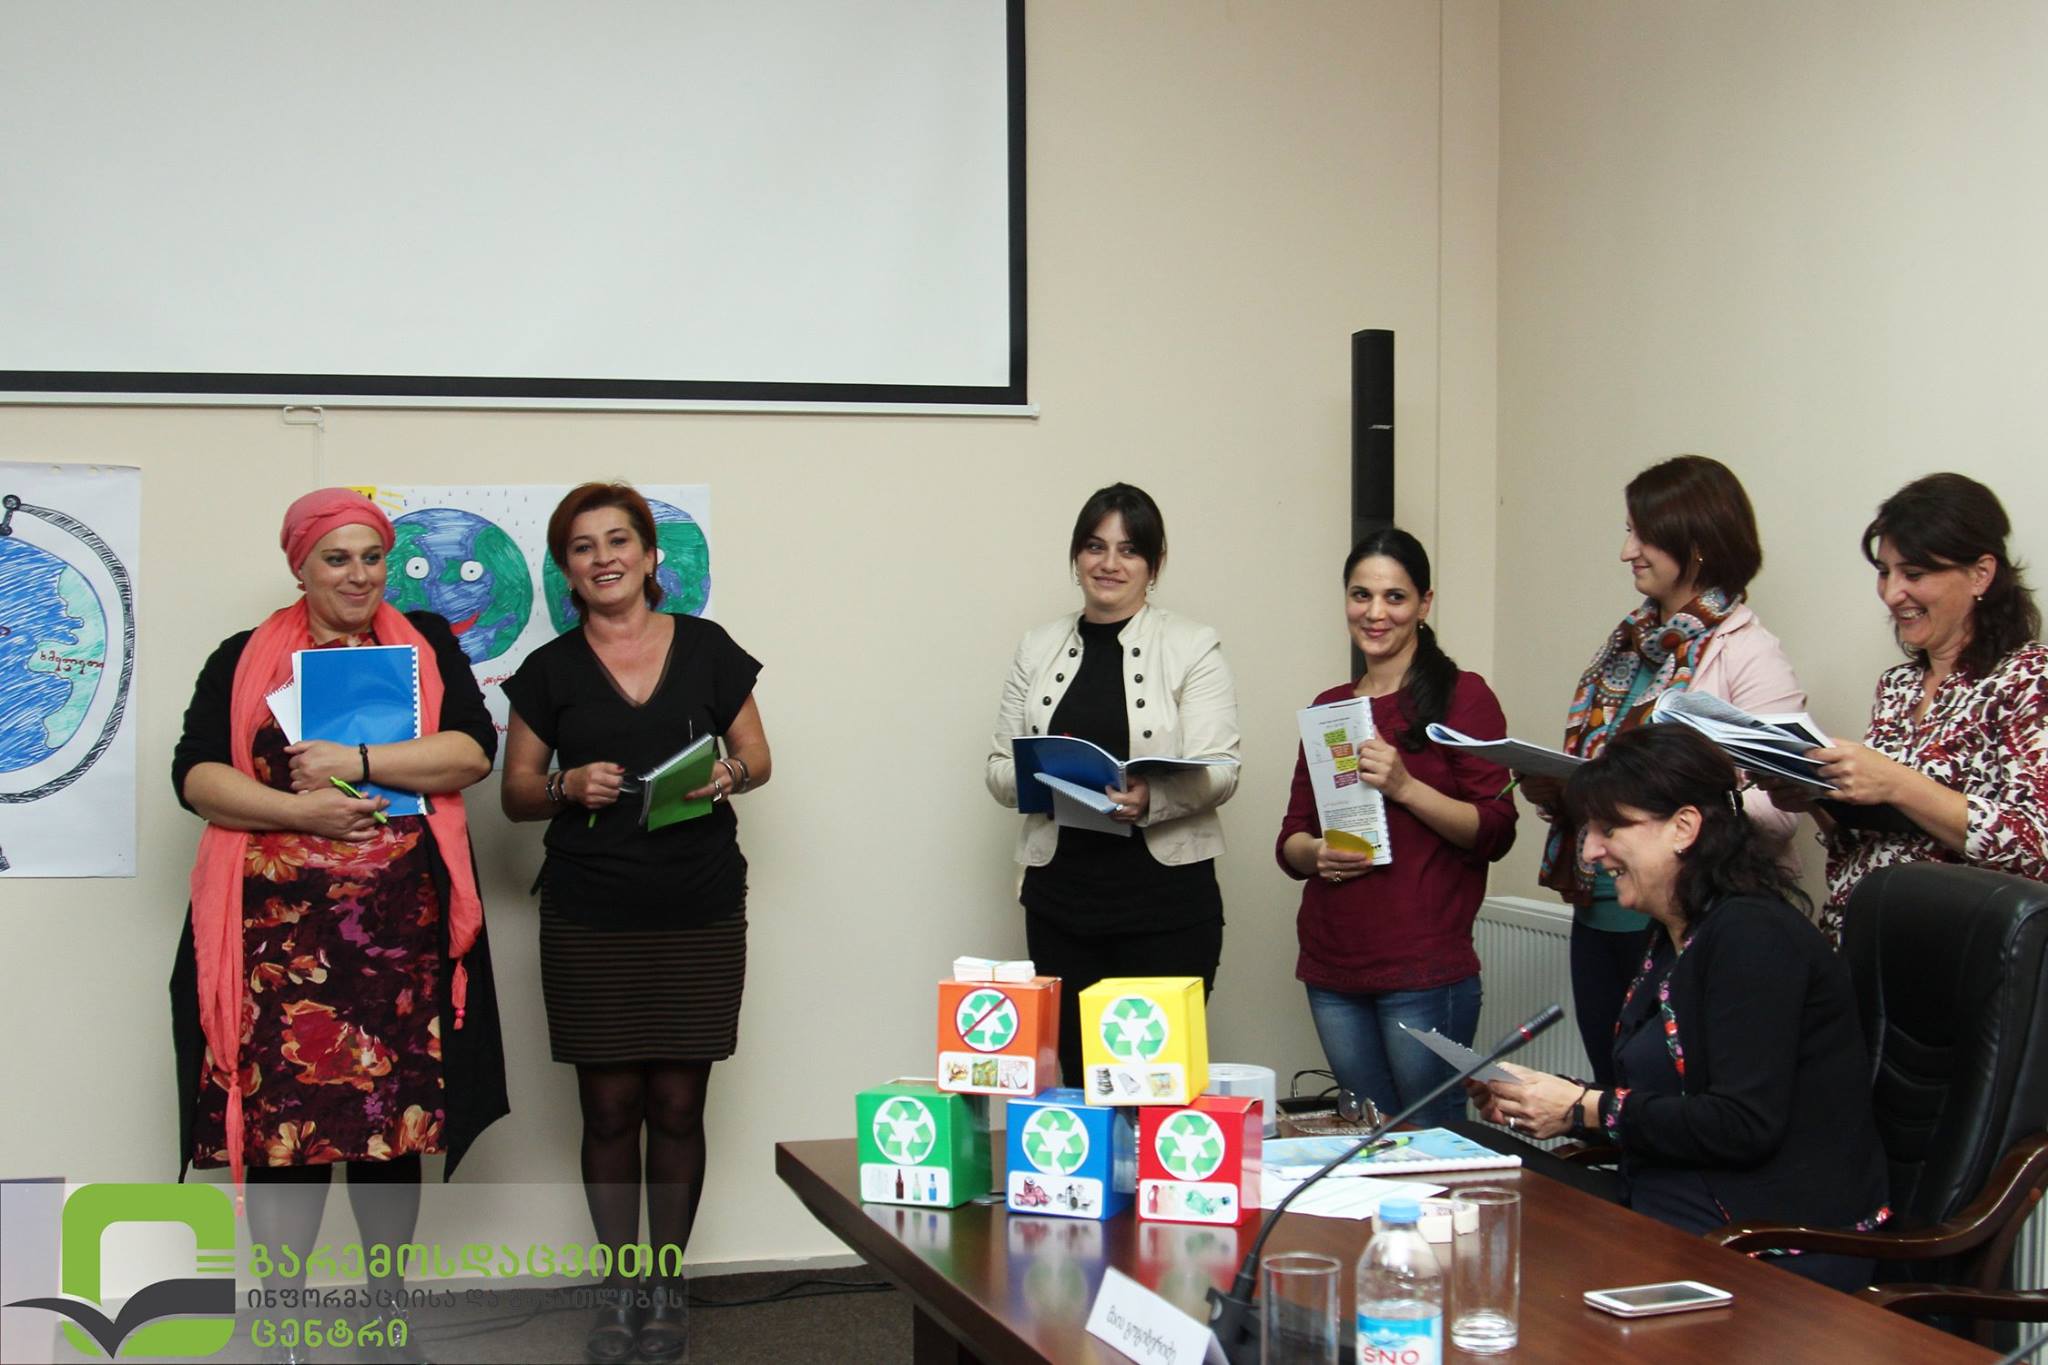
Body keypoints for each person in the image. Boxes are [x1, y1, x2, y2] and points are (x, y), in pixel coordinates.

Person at [169, 487, 508, 1345]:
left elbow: (471, 752)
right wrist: (302, 812)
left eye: (371, 557)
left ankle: (384, 1319)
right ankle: (284, 1328)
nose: (358, 575)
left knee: (390, 1133)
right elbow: (195, 776)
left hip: (398, 944)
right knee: (284, 1140)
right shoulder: (243, 657)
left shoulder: (425, 645)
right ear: (301, 566)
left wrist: (354, 758)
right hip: (277, 955)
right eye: (337, 558)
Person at [501, 481, 771, 1365]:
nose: (604, 557)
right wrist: (564, 785)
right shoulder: (549, 670)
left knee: (680, 1103)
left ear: (652, 555)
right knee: (610, 1106)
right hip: (592, 914)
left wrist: (728, 774)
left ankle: (666, 1284)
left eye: (619, 540)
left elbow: (759, 754)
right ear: (566, 569)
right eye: (583, 546)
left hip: (698, 907)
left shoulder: (708, 648)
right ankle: (619, 1289)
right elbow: (514, 793)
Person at [1472, 725, 1889, 1293]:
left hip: (1768, 1240)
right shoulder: (1676, 933)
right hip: (1677, 1199)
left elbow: (1742, 1125)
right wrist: (1553, 1098)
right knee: (1473, 1161)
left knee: (1511, 1245)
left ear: (1684, 828)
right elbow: (1668, 1097)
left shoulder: (1754, 937)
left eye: (1609, 829)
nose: (1590, 851)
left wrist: (1585, 1108)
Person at [1514, 455, 1802, 1087]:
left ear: (1695, 542)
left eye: (1642, 535)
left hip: (1685, 921)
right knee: (1614, 1099)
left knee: (1672, 1104)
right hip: (1600, 911)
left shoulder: (1749, 652)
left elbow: (1783, 804)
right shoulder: (1626, 645)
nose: (1627, 552)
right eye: (1629, 532)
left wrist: (1672, 821)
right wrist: (1569, 791)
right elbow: (1618, 784)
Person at [985, 482, 1240, 1087]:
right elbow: (998, 767)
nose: (1109, 563)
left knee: (1156, 1085)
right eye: (1095, 547)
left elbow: (1222, 768)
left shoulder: (1192, 645)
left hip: (1166, 905)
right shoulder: (1036, 648)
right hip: (1060, 903)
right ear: (1076, 555)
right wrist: (1050, 785)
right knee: (1080, 1087)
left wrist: (1152, 799)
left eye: (1129, 550)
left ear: (1154, 564)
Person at [1276, 529, 1518, 1126]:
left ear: (1424, 603)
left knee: (1433, 1141)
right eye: (1361, 595)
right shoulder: (1331, 706)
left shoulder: (1463, 697)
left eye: (1395, 597)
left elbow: (1495, 830)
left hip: (1423, 968)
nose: (1375, 613)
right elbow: (1291, 837)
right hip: (1332, 963)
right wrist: (1315, 853)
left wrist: (1405, 787)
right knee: (1366, 1137)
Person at [1768, 473, 2048, 941]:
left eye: (1913, 574)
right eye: (1885, 572)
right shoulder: (1897, 686)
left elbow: (2035, 844)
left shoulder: (2029, 677)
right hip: (1858, 935)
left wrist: (1896, 783)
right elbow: (1878, 844)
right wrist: (1815, 798)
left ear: (1981, 574)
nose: (1892, 593)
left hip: (1953, 952)